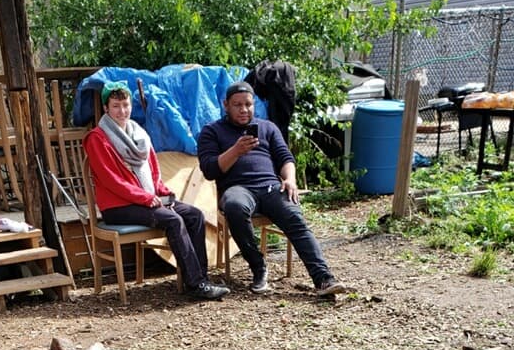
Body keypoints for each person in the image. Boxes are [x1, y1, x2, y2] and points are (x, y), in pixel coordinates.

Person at [197, 81, 347, 297]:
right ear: (225, 105)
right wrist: (236, 151)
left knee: (294, 216)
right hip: (237, 188)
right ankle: (259, 268)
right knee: (235, 207)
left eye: (248, 104)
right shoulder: (212, 131)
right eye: (237, 105)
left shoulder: (268, 128)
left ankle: (323, 278)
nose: (243, 109)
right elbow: (210, 169)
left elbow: (286, 158)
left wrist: (290, 179)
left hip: (270, 187)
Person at [83, 82, 229, 301]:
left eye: (125, 105)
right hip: (118, 206)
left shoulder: (139, 133)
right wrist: (146, 197)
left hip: (146, 198)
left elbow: (153, 171)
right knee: (173, 220)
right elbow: (111, 180)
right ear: (106, 108)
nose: (122, 111)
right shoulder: (97, 138)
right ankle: (196, 284)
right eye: (115, 106)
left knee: (194, 215)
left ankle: (202, 277)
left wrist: (162, 192)